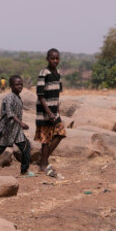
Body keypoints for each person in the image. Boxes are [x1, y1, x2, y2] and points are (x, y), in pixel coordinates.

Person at [35, 48, 66, 177]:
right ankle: (42, 165)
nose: (55, 61)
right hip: (45, 112)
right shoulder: (44, 73)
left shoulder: (57, 73)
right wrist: (49, 112)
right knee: (46, 139)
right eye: (52, 58)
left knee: (60, 133)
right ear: (47, 59)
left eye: (57, 58)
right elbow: (40, 95)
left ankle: (43, 160)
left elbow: (57, 94)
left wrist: (57, 112)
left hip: (54, 111)